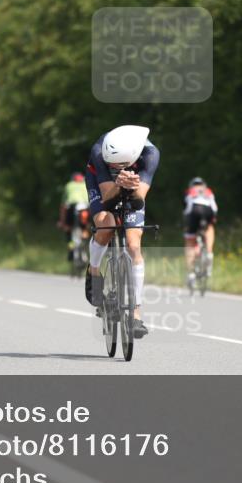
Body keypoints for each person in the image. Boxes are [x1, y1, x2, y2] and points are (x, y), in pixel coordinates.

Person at [84, 125, 159, 339]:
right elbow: (107, 200)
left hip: (133, 184)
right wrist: (117, 183)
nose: (112, 165)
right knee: (106, 224)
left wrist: (132, 187)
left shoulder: (150, 155)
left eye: (116, 164)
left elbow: (137, 202)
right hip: (103, 183)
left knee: (134, 244)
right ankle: (94, 270)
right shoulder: (99, 152)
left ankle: (135, 315)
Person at [183, 177, 217, 288]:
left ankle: (191, 273)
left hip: (194, 211)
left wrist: (187, 221)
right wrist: (213, 218)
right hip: (208, 211)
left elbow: (187, 209)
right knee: (210, 227)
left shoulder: (189, 191)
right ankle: (209, 253)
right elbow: (215, 208)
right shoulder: (208, 191)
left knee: (190, 242)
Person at [58, 172, 90, 261]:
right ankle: (84, 238)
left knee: (67, 229)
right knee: (85, 228)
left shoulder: (68, 185)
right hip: (84, 209)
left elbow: (63, 205)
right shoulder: (86, 185)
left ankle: (71, 250)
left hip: (70, 209)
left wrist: (62, 221)